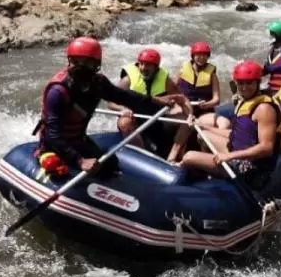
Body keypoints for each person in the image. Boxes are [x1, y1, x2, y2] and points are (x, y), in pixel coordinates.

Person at [36, 37, 189, 177]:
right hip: (55, 145)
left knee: (110, 165)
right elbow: (53, 135)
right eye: (77, 62)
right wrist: (80, 161)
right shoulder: (58, 91)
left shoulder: (98, 83)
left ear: (96, 65)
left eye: (87, 63)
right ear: (70, 61)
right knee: (54, 165)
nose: (81, 67)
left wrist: (155, 101)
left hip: (78, 140)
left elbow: (126, 97)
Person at [180, 60, 281, 190]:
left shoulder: (264, 109)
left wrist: (229, 156)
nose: (244, 87)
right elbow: (234, 135)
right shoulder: (244, 102)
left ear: (258, 83)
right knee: (203, 135)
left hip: (251, 168)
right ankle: (213, 175)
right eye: (240, 83)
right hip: (238, 153)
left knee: (189, 157)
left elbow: (266, 148)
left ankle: (199, 177)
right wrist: (202, 126)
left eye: (249, 83)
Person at [108, 48, 192, 157]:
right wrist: (122, 109)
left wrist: (190, 115)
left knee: (186, 122)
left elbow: (182, 99)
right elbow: (110, 102)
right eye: (141, 64)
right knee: (124, 123)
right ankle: (143, 157)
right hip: (134, 118)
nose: (143, 68)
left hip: (157, 118)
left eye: (148, 65)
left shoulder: (165, 80)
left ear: (156, 67)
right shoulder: (127, 80)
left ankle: (173, 157)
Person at [167, 42, 221, 162]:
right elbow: (173, 91)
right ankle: (173, 157)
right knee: (187, 123)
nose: (201, 58)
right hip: (185, 108)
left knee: (224, 123)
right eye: (198, 55)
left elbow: (216, 99)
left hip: (203, 111)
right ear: (193, 56)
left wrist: (208, 104)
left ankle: (212, 159)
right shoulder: (183, 71)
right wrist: (173, 101)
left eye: (204, 55)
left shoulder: (212, 75)